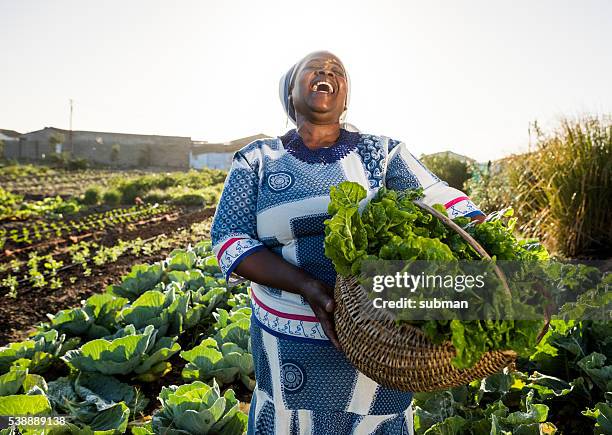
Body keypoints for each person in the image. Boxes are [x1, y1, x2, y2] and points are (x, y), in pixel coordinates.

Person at [211, 51, 485, 435]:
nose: (326, 72)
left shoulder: (381, 153)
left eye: (336, 71)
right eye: (314, 68)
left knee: (375, 417)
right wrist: (307, 286)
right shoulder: (257, 159)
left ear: (345, 99)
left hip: (377, 333)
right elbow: (229, 240)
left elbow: (436, 195)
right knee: (291, 419)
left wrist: (480, 229)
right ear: (290, 92)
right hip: (287, 337)